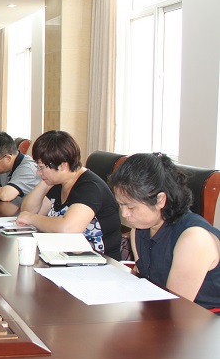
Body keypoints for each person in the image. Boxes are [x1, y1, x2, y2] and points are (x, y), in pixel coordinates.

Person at [110, 153, 220, 310]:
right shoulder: (139, 230)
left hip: (204, 319)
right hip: (161, 313)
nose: (125, 214)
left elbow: (175, 309)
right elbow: (142, 283)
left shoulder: (193, 239)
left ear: (160, 200)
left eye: (131, 207)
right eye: (121, 205)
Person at [16, 130, 121, 260]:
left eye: (41, 167)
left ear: (62, 166)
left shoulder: (90, 187)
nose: (38, 172)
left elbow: (69, 228)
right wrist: (45, 182)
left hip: (99, 262)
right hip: (65, 256)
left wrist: (31, 218)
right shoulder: (60, 182)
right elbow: (28, 211)